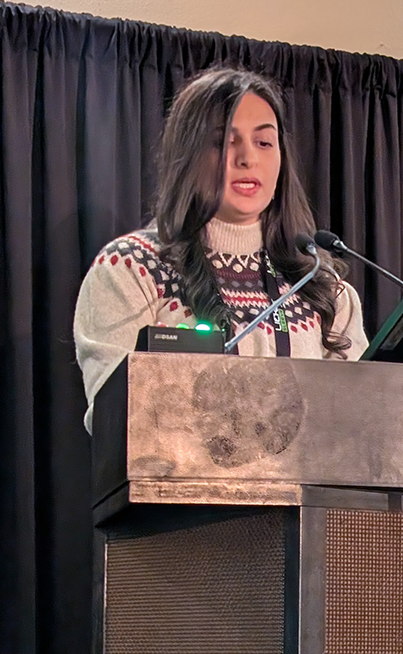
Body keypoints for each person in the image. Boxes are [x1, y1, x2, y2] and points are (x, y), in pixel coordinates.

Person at [74, 67, 368, 433]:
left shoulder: (322, 287)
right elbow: (114, 421)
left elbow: (357, 426)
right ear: (188, 155)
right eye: (224, 142)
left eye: (264, 143)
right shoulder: (130, 268)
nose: (247, 158)